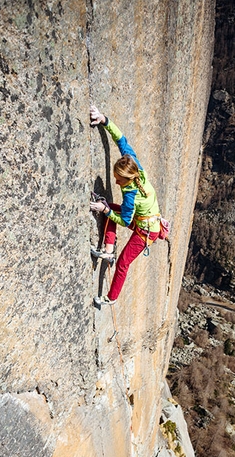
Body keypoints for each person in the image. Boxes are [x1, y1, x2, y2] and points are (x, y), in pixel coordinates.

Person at [89, 105, 161, 306]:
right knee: (109, 205)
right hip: (142, 220)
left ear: (127, 180)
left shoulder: (131, 196)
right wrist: (104, 120)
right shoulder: (133, 163)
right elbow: (121, 140)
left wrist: (105, 211)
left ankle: (111, 298)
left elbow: (124, 220)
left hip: (146, 232)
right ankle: (108, 249)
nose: (117, 182)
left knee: (123, 263)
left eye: (119, 180)